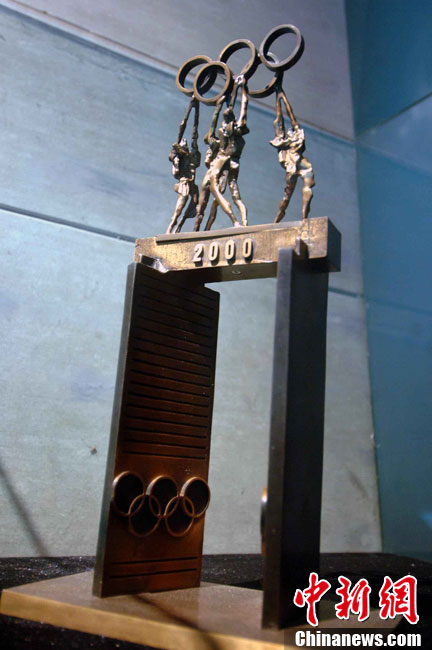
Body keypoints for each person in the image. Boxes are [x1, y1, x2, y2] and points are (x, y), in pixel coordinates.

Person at [194, 78, 249, 231]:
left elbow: (242, 109)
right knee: (212, 200)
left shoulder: (234, 130)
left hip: (222, 163)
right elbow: (215, 125)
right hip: (224, 163)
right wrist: (238, 89)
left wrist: (242, 88)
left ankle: (236, 221)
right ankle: (202, 229)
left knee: (216, 193)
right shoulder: (226, 133)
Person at [270, 88, 315, 222]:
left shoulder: (296, 137)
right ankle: (277, 220)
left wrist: (282, 97)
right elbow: (279, 120)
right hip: (293, 167)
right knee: (287, 196)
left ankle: (304, 219)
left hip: (302, 166)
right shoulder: (285, 145)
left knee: (306, 190)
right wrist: (279, 98)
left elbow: (292, 117)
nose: (291, 132)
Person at [166, 100, 201, 234]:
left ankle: (180, 224)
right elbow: (182, 128)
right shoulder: (179, 158)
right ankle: (170, 228)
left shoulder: (192, 155)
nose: (184, 141)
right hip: (184, 184)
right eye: (182, 142)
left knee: (196, 204)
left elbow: (194, 135)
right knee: (179, 209)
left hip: (192, 186)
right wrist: (188, 111)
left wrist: (196, 112)